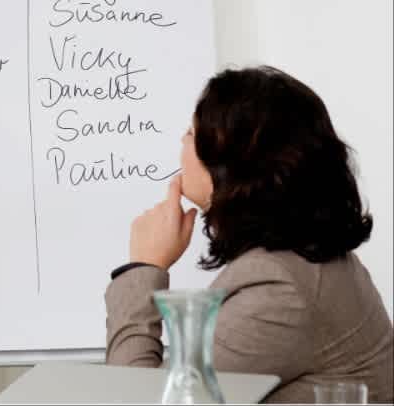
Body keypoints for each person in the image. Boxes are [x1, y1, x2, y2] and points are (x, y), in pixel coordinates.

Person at [105, 66, 393, 403]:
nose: (182, 142)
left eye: (192, 133)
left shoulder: (278, 287)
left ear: (232, 163)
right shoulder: (303, 259)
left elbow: (138, 400)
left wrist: (143, 266)